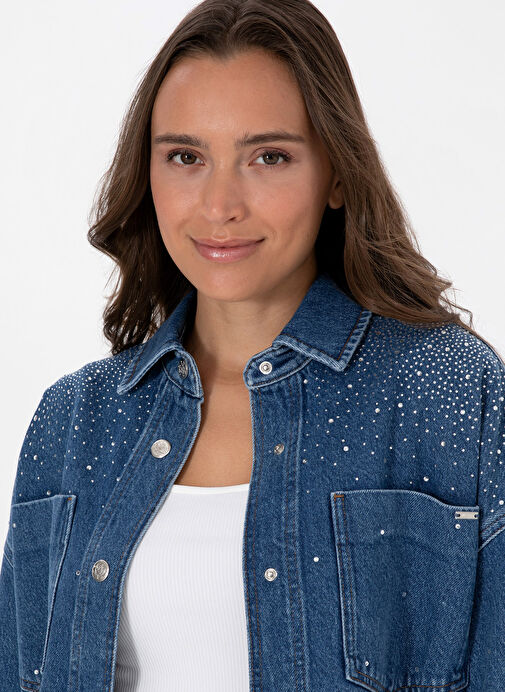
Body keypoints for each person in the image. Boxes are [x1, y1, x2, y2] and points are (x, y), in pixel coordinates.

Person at [1, 0, 504, 690]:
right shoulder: (74, 420)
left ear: (336, 172)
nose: (219, 206)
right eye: (185, 157)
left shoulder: (447, 390)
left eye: (268, 157)